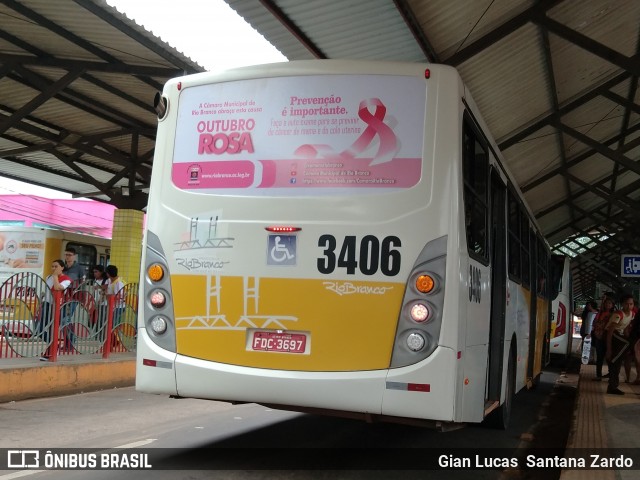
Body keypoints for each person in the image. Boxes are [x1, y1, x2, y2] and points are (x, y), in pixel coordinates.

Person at [37, 259, 72, 359]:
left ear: (62, 267)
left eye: (56, 266)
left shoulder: (66, 279)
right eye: (52, 266)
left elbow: (58, 288)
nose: (53, 268)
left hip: (58, 306)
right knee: (39, 328)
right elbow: (45, 292)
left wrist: (56, 276)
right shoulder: (48, 277)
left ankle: (51, 350)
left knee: (54, 329)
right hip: (47, 304)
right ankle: (53, 346)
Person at [605, 294, 635, 395]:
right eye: (626, 304)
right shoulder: (618, 314)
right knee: (630, 342)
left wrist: (626, 337)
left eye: (631, 304)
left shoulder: (632, 314)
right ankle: (615, 357)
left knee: (616, 365)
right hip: (612, 335)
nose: (629, 306)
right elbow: (610, 332)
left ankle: (612, 387)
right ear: (622, 304)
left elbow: (626, 329)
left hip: (619, 337)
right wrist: (609, 350)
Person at [590, 296, 615, 381]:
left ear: (612, 305)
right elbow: (595, 323)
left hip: (609, 338)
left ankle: (610, 374)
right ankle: (598, 375)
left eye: (609, 303)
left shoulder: (614, 314)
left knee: (609, 358)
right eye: (606, 303)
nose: (608, 305)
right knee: (600, 357)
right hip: (599, 337)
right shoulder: (600, 313)